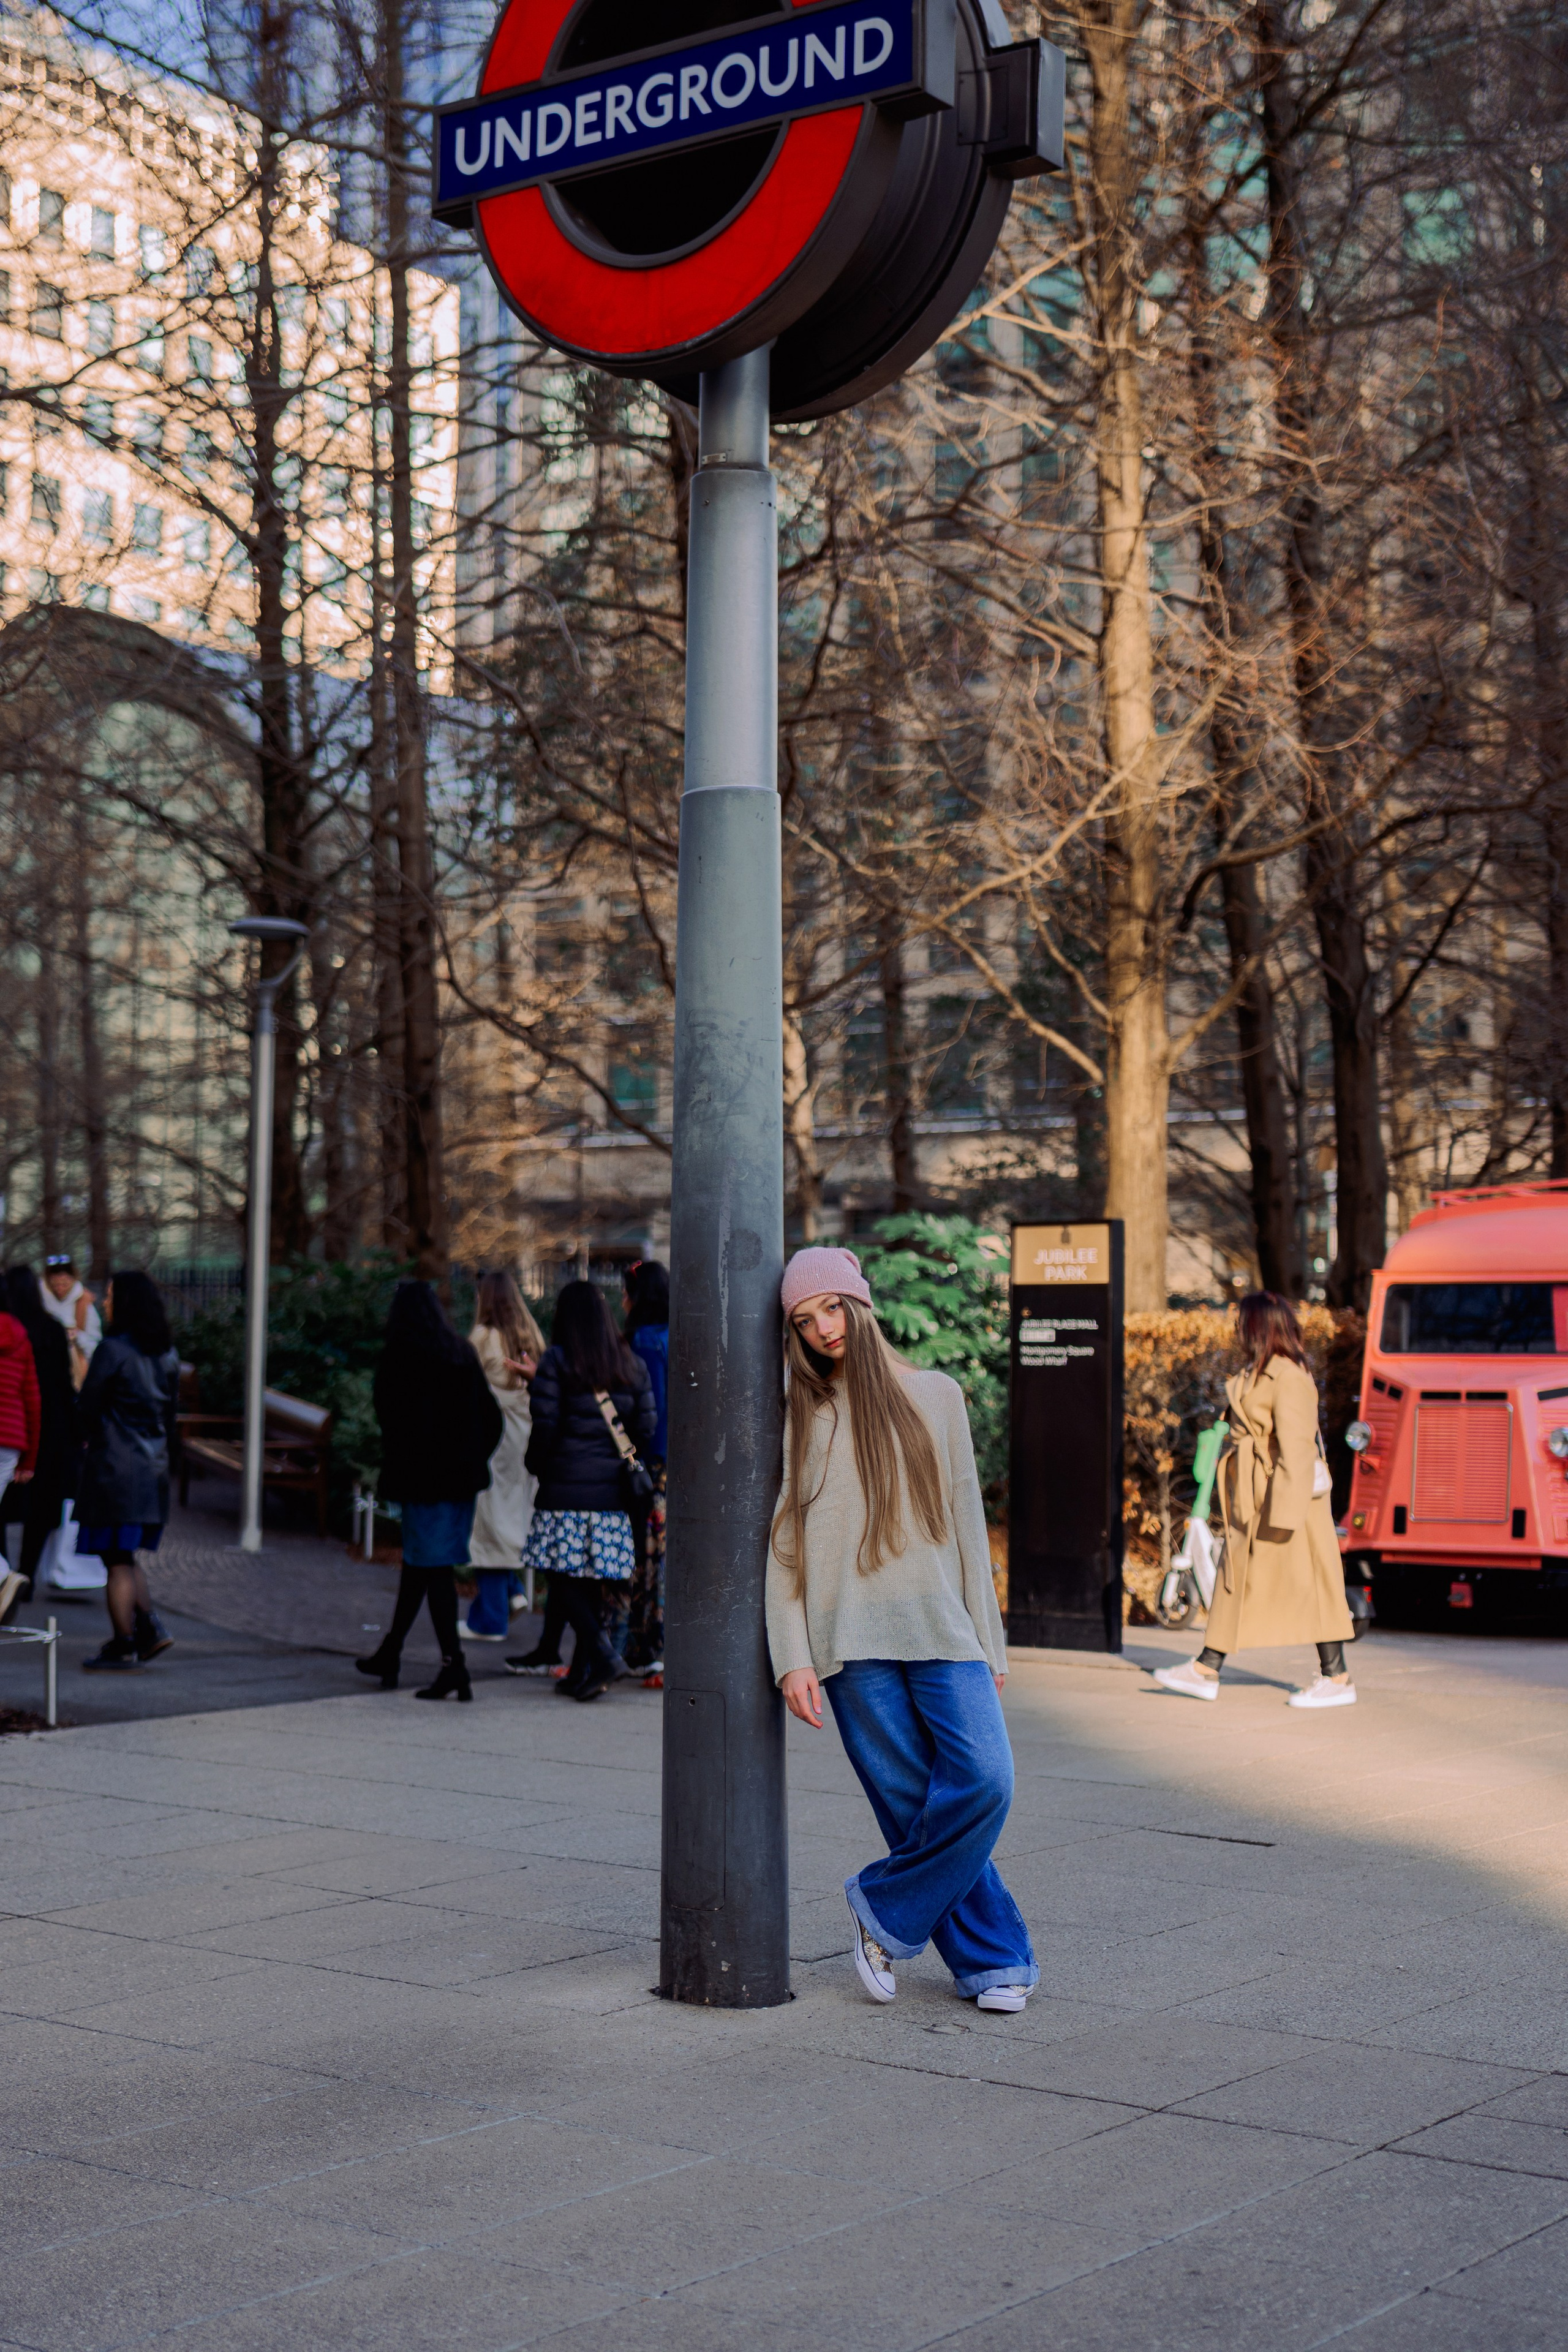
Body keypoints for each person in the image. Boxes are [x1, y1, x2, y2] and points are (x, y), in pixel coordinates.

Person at [767, 1246, 1038, 2015]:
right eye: (803, 1320)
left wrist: (989, 1642)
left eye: (831, 1307)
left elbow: (966, 1524)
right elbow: (784, 1545)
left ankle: (880, 1908)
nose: (822, 1329)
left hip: (941, 1627)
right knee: (911, 1803)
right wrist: (793, 1656)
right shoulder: (802, 1415)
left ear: (860, 1303)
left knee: (986, 1780)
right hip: (846, 1640)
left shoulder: (937, 1396)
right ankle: (992, 1964)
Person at [1152, 1289, 1357, 1709]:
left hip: (1286, 1497)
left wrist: (1283, 1511)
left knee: (1314, 1583)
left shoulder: (1290, 1378)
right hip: (1252, 1496)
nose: (1236, 1331)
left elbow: (1298, 1450)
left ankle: (1337, 1677)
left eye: (1242, 1323)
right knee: (1233, 1579)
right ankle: (1206, 1668)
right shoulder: (1256, 1373)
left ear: (1259, 1328)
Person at [507, 1278, 655, 1703]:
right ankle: (582, 1671)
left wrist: (537, 1465)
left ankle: (603, 1656)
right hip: (614, 1493)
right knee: (591, 1580)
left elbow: (546, 1425)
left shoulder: (557, 1361)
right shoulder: (631, 1363)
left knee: (561, 1575)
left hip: (566, 1489)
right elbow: (645, 1427)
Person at [356, 1281, 503, 1702]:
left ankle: (453, 1666)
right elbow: (490, 1417)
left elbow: (389, 1420)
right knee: (422, 1563)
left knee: (433, 1565)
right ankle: (392, 1651)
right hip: (461, 1482)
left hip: (424, 1482)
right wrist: (473, 1458)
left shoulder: (402, 1357)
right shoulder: (460, 1351)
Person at [74, 1272, 179, 1672]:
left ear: (128, 1302)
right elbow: (170, 1417)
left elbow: (87, 1406)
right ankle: (149, 1628)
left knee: (116, 1559)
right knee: (125, 1554)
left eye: (111, 1295)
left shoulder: (113, 1350)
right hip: (151, 1466)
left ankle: (125, 1642)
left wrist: (87, 1435)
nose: (104, 1302)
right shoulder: (167, 1353)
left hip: (115, 1467)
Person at [461, 1272, 544, 1643]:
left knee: (488, 1520)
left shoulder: (483, 1337)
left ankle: (490, 1619)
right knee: (511, 1515)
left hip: (493, 1436)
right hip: (526, 1435)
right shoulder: (531, 1335)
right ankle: (511, 1592)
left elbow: (464, 1384)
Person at [0, 1267, 75, 1616]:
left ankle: (4, 1576)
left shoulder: (10, 1327)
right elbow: (57, 1386)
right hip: (43, 1431)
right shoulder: (47, 1330)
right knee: (42, 1508)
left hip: (11, 1428)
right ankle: (24, 1575)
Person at [621, 1259, 669, 1684]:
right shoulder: (679, 1336)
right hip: (683, 1463)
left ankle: (649, 1645)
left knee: (648, 1554)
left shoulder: (644, 1342)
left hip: (653, 1462)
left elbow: (649, 1411)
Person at [0, 1289, 40, 1627]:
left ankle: (2, 1576)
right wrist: (29, 1459)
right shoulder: (20, 1336)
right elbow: (32, 1400)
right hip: (9, 1443)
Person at [42, 1255, 101, 1388]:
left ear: (73, 1280)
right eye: (55, 1285)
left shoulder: (84, 1303)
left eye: (64, 1284)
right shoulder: (42, 1304)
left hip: (77, 1372)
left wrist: (77, 1337)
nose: (60, 1289)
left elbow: (95, 1343)